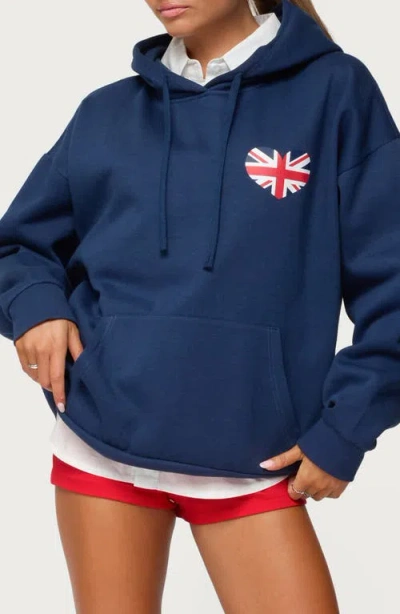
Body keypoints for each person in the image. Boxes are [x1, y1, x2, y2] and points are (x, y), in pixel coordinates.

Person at [0, 0, 399, 611]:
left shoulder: (335, 92)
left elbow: (393, 280)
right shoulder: (107, 111)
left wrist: (347, 428)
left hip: (254, 455)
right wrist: (36, 306)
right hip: (101, 444)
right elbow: (20, 244)